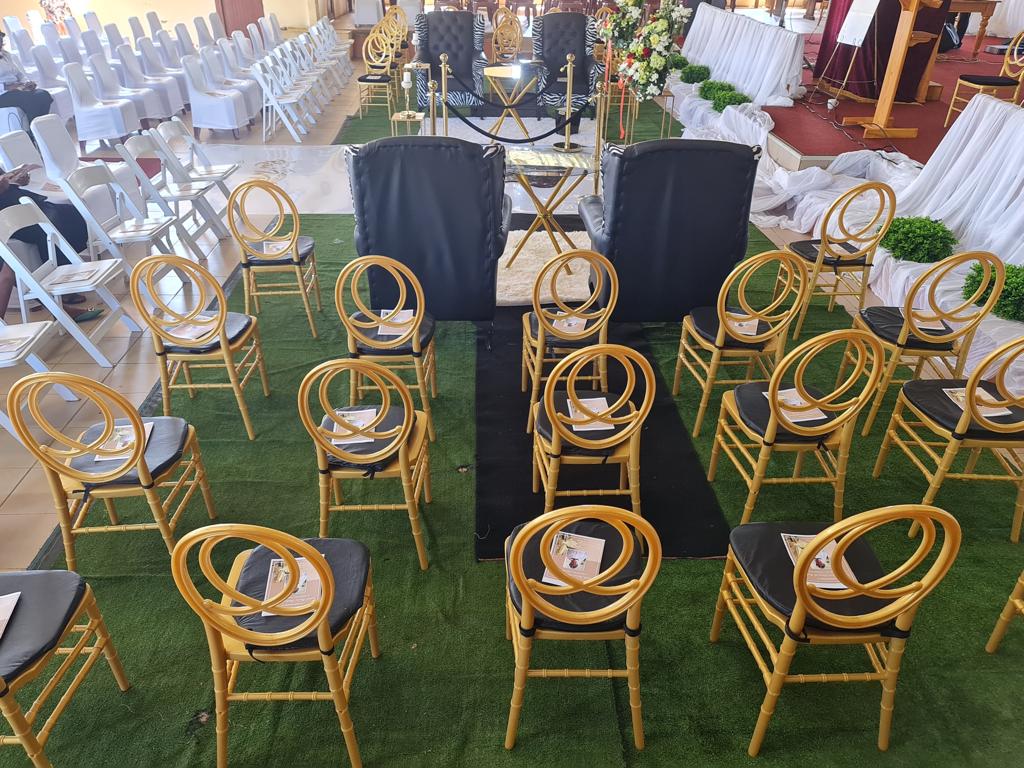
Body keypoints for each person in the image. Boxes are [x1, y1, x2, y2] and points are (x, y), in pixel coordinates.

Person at [0, 166, 100, 322]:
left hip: (16, 203)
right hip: (7, 215)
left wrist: (14, 180)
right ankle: (61, 305)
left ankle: (61, 304)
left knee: (70, 215)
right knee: (8, 272)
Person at [0, 30, 54, 123]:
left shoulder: (6, 55)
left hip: (16, 89)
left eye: (1, 41)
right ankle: (32, 129)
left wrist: (26, 83)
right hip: (3, 94)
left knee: (43, 94)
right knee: (31, 100)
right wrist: (7, 87)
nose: (1, 44)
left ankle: (41, 125)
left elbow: (19, 74)